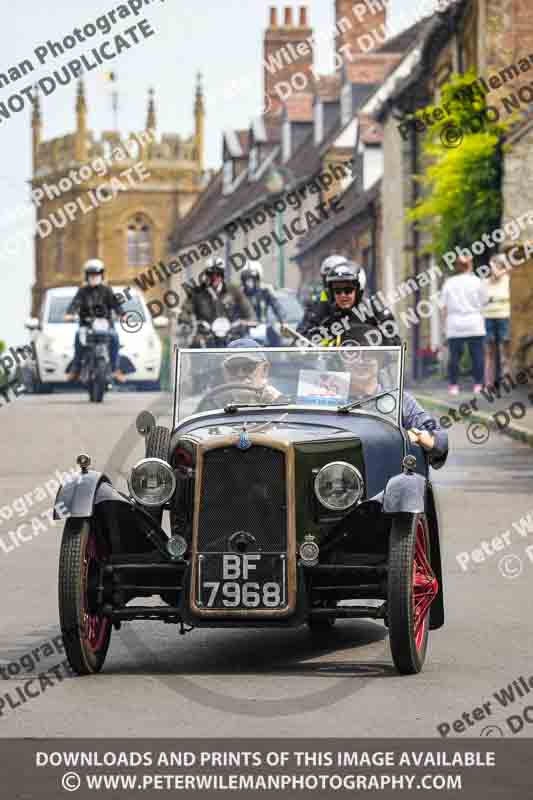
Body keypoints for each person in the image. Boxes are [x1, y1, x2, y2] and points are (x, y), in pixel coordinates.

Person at [343, 350, 448, 468]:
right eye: (353, 354)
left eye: (368, 355)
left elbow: (440, 440)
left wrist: (416, 436)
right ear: (344, 361)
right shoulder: (328, 399)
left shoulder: (401, 400)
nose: (360, 361)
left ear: (380, 361)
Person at [312, 262, 402, 347]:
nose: (342, 295)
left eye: (348, 290)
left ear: (358, 291)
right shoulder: (328, 315)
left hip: (371, 362)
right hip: (340, 363)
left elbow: (394, 345)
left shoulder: (375, 312)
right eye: (337, 291)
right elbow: (313, 346)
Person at [64, 259, 125, 382]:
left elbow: (116, 305)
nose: (94, 277)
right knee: (78, 339)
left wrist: (122, 314)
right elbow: (75, 304)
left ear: (102, 275)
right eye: (91, 275)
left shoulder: (107, 290)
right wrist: (70, 314)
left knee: (115, 338)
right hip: (86, 326)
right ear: (87, 276)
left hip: (105, 326)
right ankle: (75, 370)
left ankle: (115, 369)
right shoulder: (82, 291)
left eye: (97, 274)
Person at [440, 254, 488, 395]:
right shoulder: (478, 282)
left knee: (454, 356)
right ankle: (478, 385)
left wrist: (444, 326)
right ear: (470, 265)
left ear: (457, 266)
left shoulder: (449, 283)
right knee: (477, 355)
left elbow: (443, 306)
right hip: (474, 323)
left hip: (455, 325)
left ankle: (453, 386)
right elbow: (484, 301)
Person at [180, 257, 255, 334]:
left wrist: (243, 323)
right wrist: (192, 323)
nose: (214, 277)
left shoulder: (234, 291)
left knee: (244, 342)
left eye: (218, 274)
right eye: (211, 274)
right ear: (206, 275)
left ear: (222, 275)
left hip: (232, 335)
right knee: (195, 342)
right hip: (205, 336)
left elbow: (249, 313)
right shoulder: (196, 292)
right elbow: (185, 312)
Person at [298, 254, 347, 335]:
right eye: (327, 280)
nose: (332, 285)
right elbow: (301, 333)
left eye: (337, 281)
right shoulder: (317, 305)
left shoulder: (358, 304)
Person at [240, 260, 286, 346]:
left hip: (262, 326)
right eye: (247, 279)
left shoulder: (265, 291)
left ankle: (276, 359)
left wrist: (282, 321)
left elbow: (277, 307)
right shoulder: (240, 294)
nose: (249, 283)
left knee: (276, 339)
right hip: (244, 329)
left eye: (252, 279)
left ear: (257, 279)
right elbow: (232, 311)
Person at [483, 254, 511, 386]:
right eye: (491, 267)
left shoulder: (508, 280)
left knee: (505, 349)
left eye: (494, 266)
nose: (492, 270)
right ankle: (489, 382)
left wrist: (503, 270)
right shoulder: (485, 283)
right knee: (489, 351)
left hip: (504, 317)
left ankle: (507, 379)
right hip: (488, 318)